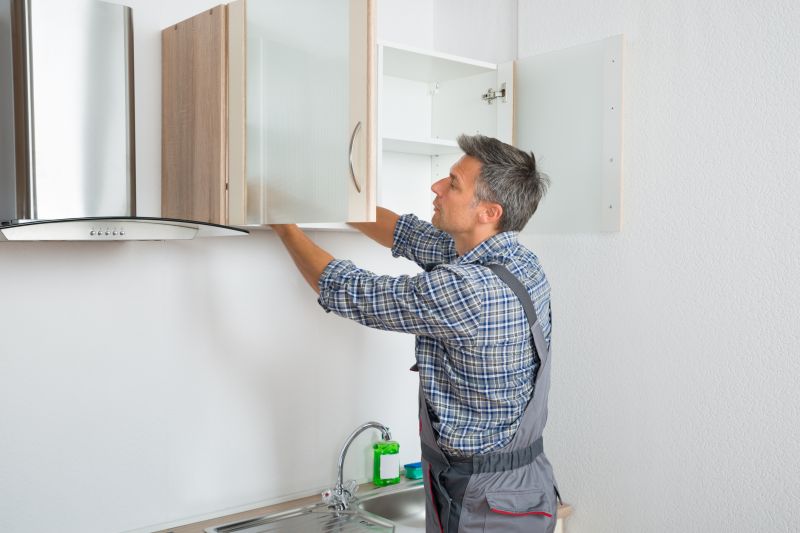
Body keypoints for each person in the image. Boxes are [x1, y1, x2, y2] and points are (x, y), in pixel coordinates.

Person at [271, 134, 560, 533]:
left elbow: (351, 290)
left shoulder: (468, 292)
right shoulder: (514, 259)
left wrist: (282, 224)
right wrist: (325, 193)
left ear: (488, 212)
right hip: (523, 488)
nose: (437, 187)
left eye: (453, 184)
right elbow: (405, 234)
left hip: (483, 501)